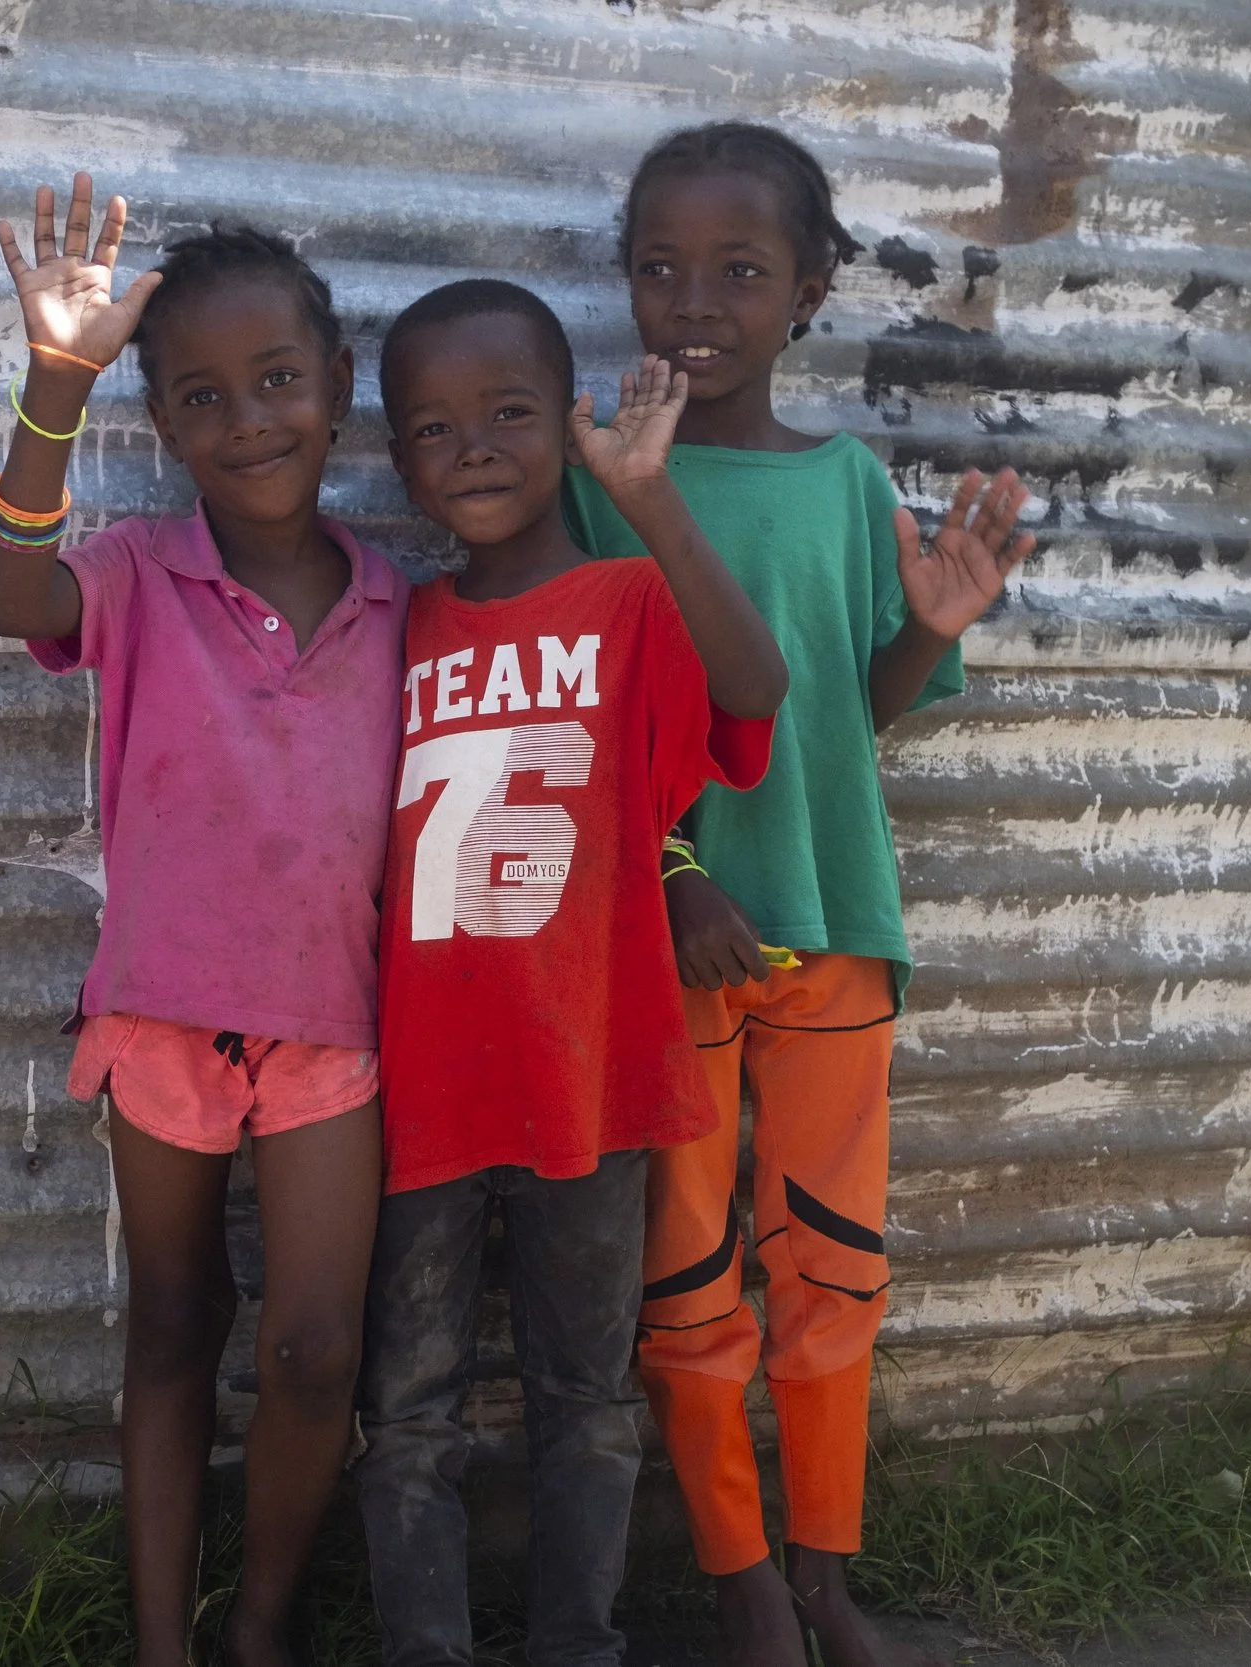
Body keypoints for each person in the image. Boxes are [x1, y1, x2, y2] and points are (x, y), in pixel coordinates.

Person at [561, 123, 1038, 1667]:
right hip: (671, 942)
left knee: (831, 1266)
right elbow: (583, 728)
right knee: (690, 1283)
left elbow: (848, 714)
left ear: (812, 289)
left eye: (740, 270)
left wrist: (929, 628)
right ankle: (740, 1581)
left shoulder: (845, 486)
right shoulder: (598, 483)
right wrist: (676, 874)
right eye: (659, 267)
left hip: (834, 922)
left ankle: (826, 1570)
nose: (693, 300)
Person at [0, 175, 408, 1667]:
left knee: (312, 1349)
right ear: (161, 427)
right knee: (172, 1321)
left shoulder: (402, 603)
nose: (252, 419)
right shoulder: (141, 575)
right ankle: (163, 1642)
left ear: (339, 391)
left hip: (331, 1033)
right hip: (159, 1014)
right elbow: (7, 592)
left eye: (281, 380)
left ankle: (260, 1624)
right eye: (206, 395)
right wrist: (57, 379)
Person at [355, 277, 788, 1667]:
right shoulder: (391, 626)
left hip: (587, 1075)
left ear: (566, 422)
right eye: (429, 427)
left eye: (507, 413)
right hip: (414, 1081)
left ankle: (575, 1644)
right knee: (408, 1402)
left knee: (586, 1391)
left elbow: (754, 688)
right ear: (395, 458)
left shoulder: (622, 600)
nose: (470, 446)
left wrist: (650, 497)